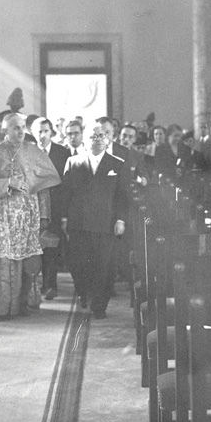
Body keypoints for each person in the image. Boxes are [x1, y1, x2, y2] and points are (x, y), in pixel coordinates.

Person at [0, 113, 61, 320]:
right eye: (15, 128)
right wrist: (7, 184)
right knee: (2, 263)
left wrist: (44, 218)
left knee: (25, 262)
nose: (20, 131)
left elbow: (44, 188)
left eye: (22, 127)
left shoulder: (33, 151)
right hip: (1, 216)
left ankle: (21, 305)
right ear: (5, 130)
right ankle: (2, 310)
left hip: (27, 216)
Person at [58, 121, 130, 319]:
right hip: (79, 224)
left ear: (107, 140)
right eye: (93, 136)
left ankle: (99, 305)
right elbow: (66, 194)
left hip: (106, 223)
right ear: (85, 140)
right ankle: (83, 293)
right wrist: (64, 218)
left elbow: (123, 196)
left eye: (101, 136)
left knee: (103, 266)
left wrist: (121, 220)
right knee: (79, 264)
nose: (97, 139)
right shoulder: (74, 162)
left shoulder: (117, 164)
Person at [32, 116, 70, 302]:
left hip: (55, 207)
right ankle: (32, 288)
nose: (42, 135)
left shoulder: (62, 153)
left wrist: (64, 214)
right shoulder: (28, 153)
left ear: (51, 132)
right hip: (32, 208)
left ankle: (50, 286)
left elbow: (66, 185)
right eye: (38, 131)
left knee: (51, 249)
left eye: (45, 131)